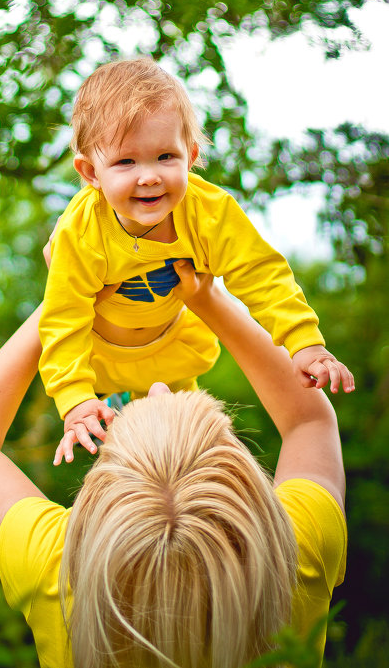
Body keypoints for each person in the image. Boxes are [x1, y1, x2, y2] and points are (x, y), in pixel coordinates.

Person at [0, 264, 346, 667]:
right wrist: (207, 297)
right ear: (244, 475)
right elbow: (308, 419)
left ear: (98, 491)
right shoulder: (297, 552)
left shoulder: (64, 576)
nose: (157, 385)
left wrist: (66, 290)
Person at [39, 58, 353, 460]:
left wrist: (304, 342)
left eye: (165, 157)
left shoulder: (208, 212)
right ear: (91, 172)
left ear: (190, 156)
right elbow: (64, 316)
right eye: (126, 161)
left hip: (173, 348)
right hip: (102, 357)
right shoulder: (81, 231)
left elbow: (260, 273)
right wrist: (73, 398)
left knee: (187, 447)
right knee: (119, 456)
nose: (149, 176)